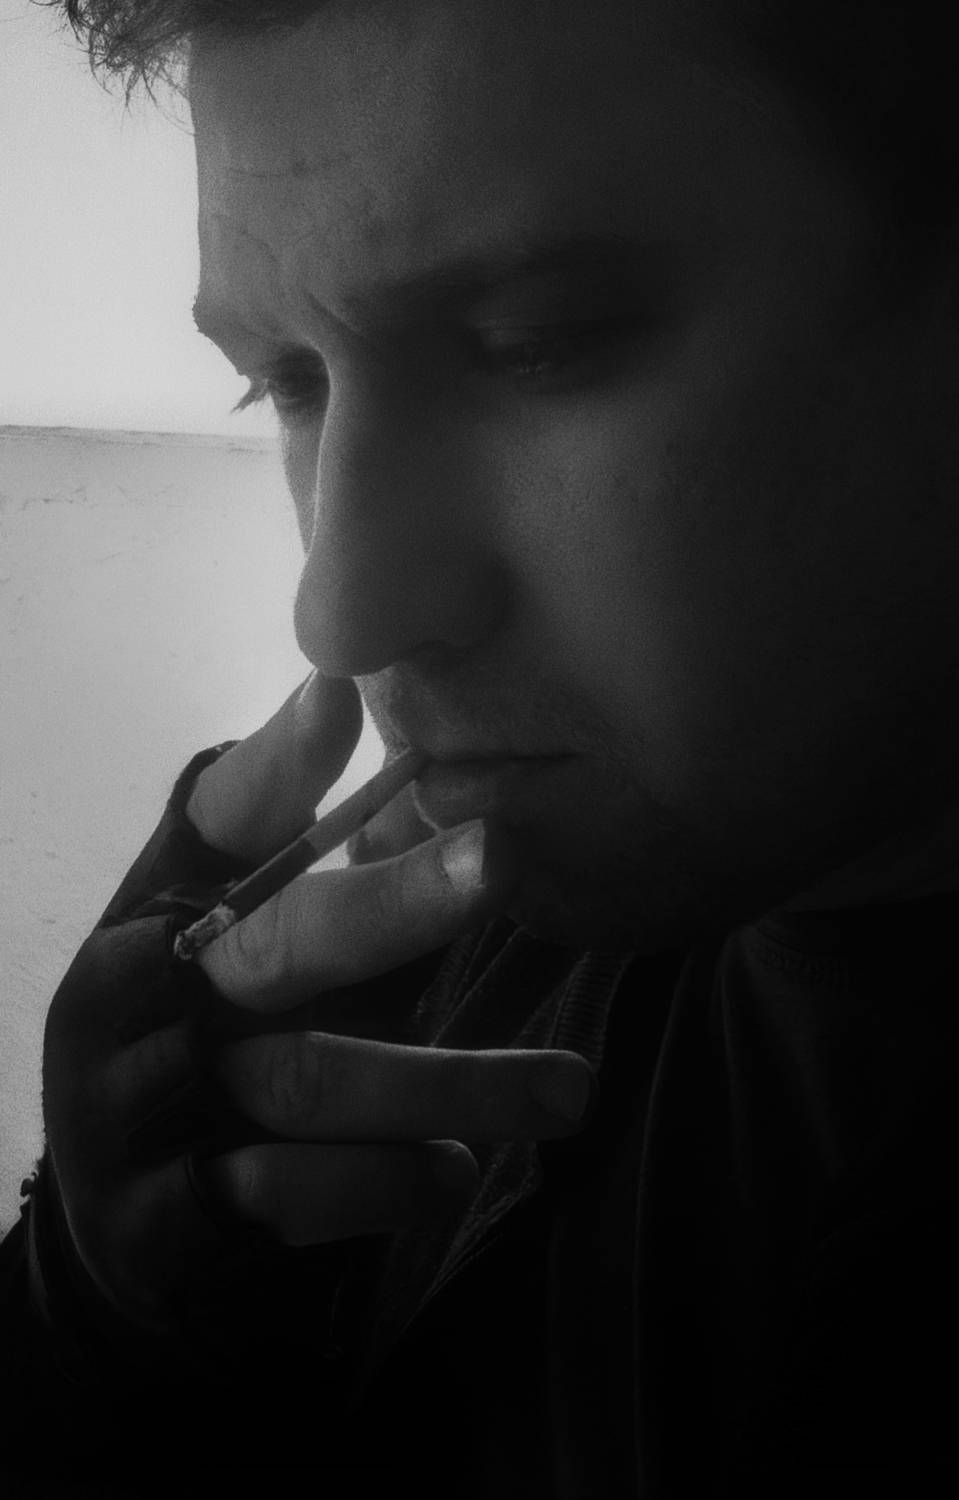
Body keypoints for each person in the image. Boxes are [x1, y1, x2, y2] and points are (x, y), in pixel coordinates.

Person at [3, 0, 959, 1492]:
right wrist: (102, 1330)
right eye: (290, 380)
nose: (339, 610)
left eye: (538, 341)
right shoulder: (416, 1007)